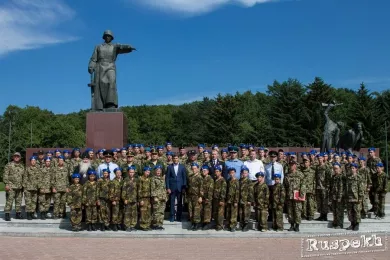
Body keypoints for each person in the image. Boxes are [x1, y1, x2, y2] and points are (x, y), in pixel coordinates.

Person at [88, 30, 136, 110]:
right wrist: (91, 66)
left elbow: (122, 48)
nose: (107, 37)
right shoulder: (98, 46)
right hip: (100, 67)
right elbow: (93, 58)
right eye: (106, 36)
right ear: (104, 37)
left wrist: (129, 47)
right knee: (100, 86)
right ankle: (100, 106)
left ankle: (111, 103)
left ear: (111, 38)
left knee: (112, 81)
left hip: (110, 66)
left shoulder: (114, 46)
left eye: (109, 36)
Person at [284, 160, 305, 232]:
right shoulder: (287, 175)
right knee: (290, 211)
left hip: (297, 195)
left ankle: (297, 225)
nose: (291, 166)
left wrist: (301, 194)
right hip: (289, 195)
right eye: (290, 165)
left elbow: (303, 184)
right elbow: (285, 186)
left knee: (297, 210)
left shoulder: (300, 174)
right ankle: (292, 225)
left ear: (295, 165)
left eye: (293, 165)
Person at [3, 152, 25, 221]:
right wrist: (6, 184)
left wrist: (23, 186)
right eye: (15, 156)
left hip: (19, 187)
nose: (16, 157)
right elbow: (5, 175)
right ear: (13, 157)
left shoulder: (22, 166)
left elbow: (23, 176)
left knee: (19, 201)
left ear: (20, 157)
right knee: (9, 201)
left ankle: (18, 214)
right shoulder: (9, 165)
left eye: (18, 156)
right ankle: (7, 214)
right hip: (11, 186)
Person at [165, 154, 187, 222]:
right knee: (172, 203)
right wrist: (168, 187)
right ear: (172, 159)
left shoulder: (182, 167)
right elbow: (167, 178)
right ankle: (171, 217)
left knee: (180, 203)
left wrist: (184, 187)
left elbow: (184, 178)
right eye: (174, 158)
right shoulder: (169, 167)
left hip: (180, 187)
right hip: (172, 188)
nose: (175, 159)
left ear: (178, 159)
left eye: (176, 158)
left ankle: (179, 217)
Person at [345, 163, 364, 231]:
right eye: (351, 168)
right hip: (349, 198)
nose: (352, 169)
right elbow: (347, 187)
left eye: (353, 168)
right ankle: (352, 223)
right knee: (350, 212)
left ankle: (357, 224)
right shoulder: (348, 177)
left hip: (356, 198)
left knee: (357, 211)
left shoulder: (359, 177)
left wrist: (360, 198)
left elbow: (361, 188)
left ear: (356, 169)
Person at [315, 153, 332, 221]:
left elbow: (328, 177)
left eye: (321, 158)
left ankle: (325, 216)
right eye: (318, 158)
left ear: (323, 159)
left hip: (324, 187)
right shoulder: (317, 167)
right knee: (320, 202)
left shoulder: (326, 167)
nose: (319, 160)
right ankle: (321, 215)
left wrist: (327, 186)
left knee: (325, 202)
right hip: (319, 187)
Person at [187, 163, 204, 231]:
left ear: (197, 169)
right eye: (192, 168)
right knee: (191, 210)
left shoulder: (199, 177)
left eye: (195, 168)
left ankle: (196, 224)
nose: (194, 170)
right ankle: (193, 223)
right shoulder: (190, 176)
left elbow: (201, 187)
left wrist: (200, 197)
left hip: (197, 196)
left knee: (196, 210)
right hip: (190, 196)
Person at [121, 166, 138, 231]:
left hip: (134, 199)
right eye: (130, 172)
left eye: (132, 172)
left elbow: (138, 190)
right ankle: (127, 226)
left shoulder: (136, 180)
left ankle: (132, 225)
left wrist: (138, 199)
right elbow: (123, 190)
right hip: (128, 199)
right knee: (127, 213)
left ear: (134, 173)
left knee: (134, 213)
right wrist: (124, 199)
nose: (131, 173)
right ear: (128, 172)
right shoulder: (126, 180)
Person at [24, 156, 40, 220]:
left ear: (36, 161)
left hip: (35, 188)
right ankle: (28, 214)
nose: (33, 162)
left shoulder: (38, 169)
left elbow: (39, 178)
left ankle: (32, 213)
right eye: (32, 161)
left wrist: (39, 186)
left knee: (34, 202)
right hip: (28, 188)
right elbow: (25, 178)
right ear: (30, 161)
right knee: (28, 202)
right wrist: (25, 188)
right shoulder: (27, 169)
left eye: (34, 160)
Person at [329, 163, 345, 229]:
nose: (335, 170)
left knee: (339, 211)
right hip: (334, 196)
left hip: (340, 197)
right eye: (334, 169)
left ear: (340, 169)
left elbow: (343, 188)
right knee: (335, 210)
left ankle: (340, 224)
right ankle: (335, 222)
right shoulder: (333, 177)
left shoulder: (342, 177)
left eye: (336, 168)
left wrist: (340, 196)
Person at [151, 165, 167, 230]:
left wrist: (165, 196)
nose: (158, 172)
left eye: (160, 171)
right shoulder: (153, 179)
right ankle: (155, 224)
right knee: (156, 212)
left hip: (162, 198)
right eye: (157, 171)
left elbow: (164, 188)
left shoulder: (162, 179)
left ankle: (160, 224)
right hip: (157, 198)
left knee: (161, 212)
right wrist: (154, 196)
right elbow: (152, 188)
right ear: (155, 171)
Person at [238, 166, 254, 232]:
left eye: (245, 173)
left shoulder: (249, 181)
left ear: (247, 174)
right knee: (241, 213)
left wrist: (250, 200)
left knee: (246, 213)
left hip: (246, 200)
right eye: (243, 173)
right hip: (240, 199)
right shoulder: (239, 181)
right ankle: (242, 225)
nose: (244, 174)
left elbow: (251, 191)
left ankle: (246, 225)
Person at [138, 166, 153, 231]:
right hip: (143, 198)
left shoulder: (149, 179)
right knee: (143, 212)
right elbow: (139, 190)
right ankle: (143, 225)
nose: (148, 173)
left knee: (148, 212)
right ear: (144, 172)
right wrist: (140, 200)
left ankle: (147, 225)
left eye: (149, 172)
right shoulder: (141, 179)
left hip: (149, 198)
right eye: (147, 172)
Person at [213, 166, 227, 231]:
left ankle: (220, 225)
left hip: (220, 199)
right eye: (215, 171)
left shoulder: (223, 180)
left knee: (220, 213)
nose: (216, 173)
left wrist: (222, 200)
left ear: (220, 172)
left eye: (217, 171)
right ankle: (217, 224)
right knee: (216, 212)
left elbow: (223, 191)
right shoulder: (215, 179)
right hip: (215, 199)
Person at [200, 165, 214, 230]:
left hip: (207, 198)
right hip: (203, 197)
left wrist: (208, 198)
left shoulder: (210, 179)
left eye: (205, 171)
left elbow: (210, 190)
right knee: (203, 210)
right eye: (202, 171)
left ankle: (207, 223)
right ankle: (204, 222)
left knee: (207, 211)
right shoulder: (202, 178)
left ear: (208, 171)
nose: (203, 172)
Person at [226, 167, 240, 232]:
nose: (232, 174)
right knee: (229, 213)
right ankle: (229, 224)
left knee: (234, 214)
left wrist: (236, 201)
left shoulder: (236, 181)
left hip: (234, 200)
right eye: (230, 173)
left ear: (235, 173)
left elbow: (237, 192)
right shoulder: (228, 180)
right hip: (228, 200)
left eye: (233, 173)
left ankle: (233, 226)